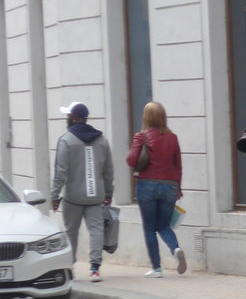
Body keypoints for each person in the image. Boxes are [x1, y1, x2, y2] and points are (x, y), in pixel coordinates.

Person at [51, 101, 114, 283]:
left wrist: (54, 196)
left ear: (74, 118)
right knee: (96, 230)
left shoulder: (66, 140)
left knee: (71, 231)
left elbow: (60, 171)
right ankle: (95, 269)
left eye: (68, 116)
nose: (67, 119)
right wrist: (109, 193)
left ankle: (69, 267)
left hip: (73, 197)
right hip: (96, 195)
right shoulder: (102, 140)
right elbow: (108, 170)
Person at [127, 101, 186, 278]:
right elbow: (178, 166)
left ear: (146, 117)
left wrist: (137, 143)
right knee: (164, 225)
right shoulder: (173, 138)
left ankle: (157, 268)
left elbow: (131, 161)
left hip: (147, 184)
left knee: (149, 227)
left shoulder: (141, 136)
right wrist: (178, 187)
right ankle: (176, 249)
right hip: (170, 185)